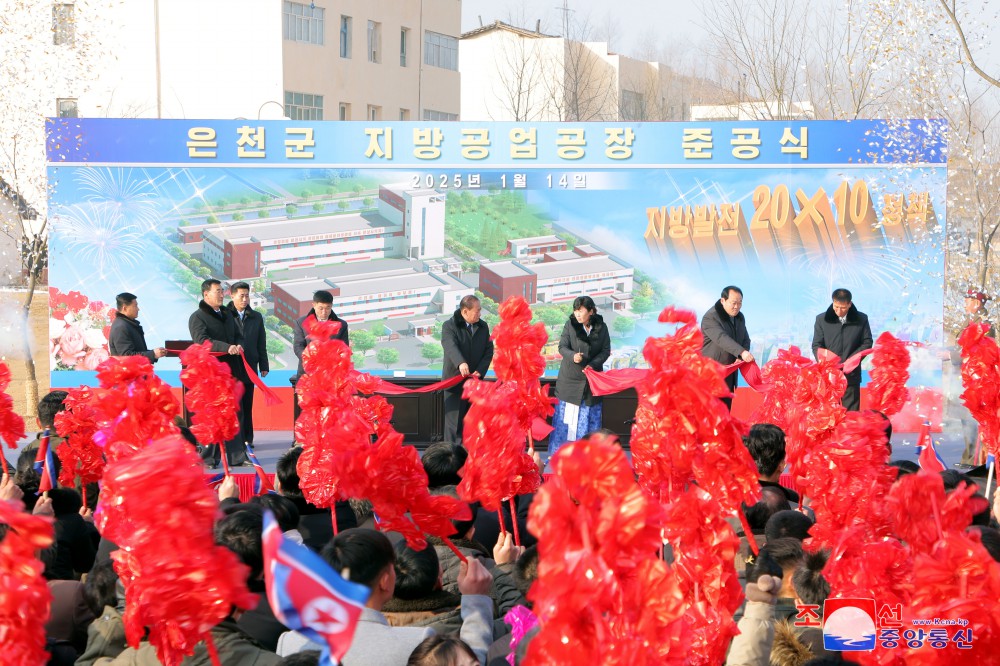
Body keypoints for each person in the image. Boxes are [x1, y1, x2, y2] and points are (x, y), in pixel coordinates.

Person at [277, 528, 495, 666]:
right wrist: (476, 602)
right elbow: (467, 661)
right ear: (384, 580)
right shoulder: (416, 643)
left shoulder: (290, 642)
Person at [188, 278, 248, 468]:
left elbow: (238, 334)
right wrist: (226, 346)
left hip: (231, 371)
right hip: (211, 373)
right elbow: (202, 341)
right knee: (212, 414)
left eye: (222, 291)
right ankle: (208, 458)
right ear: (206, 294)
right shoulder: (197, 317)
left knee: (234, 413)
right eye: (217, 291)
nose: (222, 294)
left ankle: (237, 456)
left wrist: (238, 344)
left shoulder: (228, 314)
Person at [548, 296, 611, 459]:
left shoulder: (601, 327)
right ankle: (562, 458)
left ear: (591, 311)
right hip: (570, 382)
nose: (577, 314)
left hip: (591, 382)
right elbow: (562, 347)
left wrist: (594, 364)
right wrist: (572, 356)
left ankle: (588, 458)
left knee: (589, 421)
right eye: (575, 310)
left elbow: (605, 350)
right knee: (567, 423)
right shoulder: (570, 325)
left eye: (580, 310)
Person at [440, 295, 494, 444]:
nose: (480, 314)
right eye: (477, 311)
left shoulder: (483, 327)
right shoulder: (449, 326)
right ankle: (451, 458)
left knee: (472, 423)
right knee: (454, 425)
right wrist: (461, 363)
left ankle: (468, 458)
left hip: (475, 384)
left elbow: (489, 350)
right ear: (465, 311)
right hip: (455, 384)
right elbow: (450, 346)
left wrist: (481, 370)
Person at [812, 288, 873, 412]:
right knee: (828, 413)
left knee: (851, 414)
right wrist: (827, 361)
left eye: (843, 308)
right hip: (829, 375)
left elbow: (867, 342)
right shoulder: (821, 319)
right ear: (833, 302)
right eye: (836, 306)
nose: (839, 311)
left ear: (849, 304)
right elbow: (817, 345)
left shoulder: (861, 319)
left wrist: (852, 360)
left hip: (851, 374)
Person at [227, 281, 268, 450]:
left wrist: (264, 364)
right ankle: (234, 440)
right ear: (232, 295)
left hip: (250, 366)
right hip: (231, 367)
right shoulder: (225, 314)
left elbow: (261, 341)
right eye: (241, 295)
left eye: (246, 295)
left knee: (247, 403)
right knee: (234, 406)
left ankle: (248, 439)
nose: (245, 299)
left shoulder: (256, 316)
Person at [701, 286, 752, 411]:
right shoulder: (711, 317)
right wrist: (741, 352)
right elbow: (721, 338)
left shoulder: (739, 317)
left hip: (728, 377)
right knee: (710, 419)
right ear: (723, 300)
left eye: (740, 303)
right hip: (711, 377)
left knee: (724, 417)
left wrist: (741, 356)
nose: (737, 307)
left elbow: (745, 339)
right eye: (733, 303)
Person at [292, 290, 349, 378]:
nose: (324, 312)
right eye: (321, 308)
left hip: (332, 374)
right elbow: (298, 346)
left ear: (332, 306)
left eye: (328, 308)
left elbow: (344, 349)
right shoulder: (301, 322)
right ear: (314, 305)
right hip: (307, 374)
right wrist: (309, 359)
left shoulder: (342, 325)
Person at [107, 292, 167, 362]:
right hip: (128, 372)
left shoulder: (127, 324)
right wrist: (152, 354)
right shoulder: (120, 327)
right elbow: (126, 356)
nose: (138, 309)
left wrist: (155, 353)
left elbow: (137, 351)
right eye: (135, 306)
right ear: (125, 308)